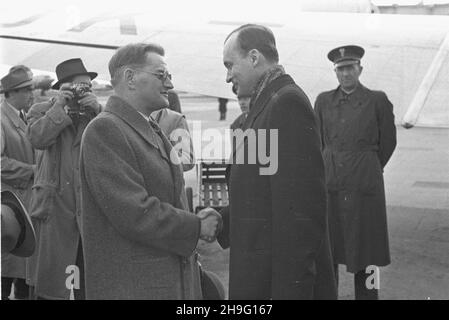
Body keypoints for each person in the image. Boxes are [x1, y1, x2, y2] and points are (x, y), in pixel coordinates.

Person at [79, 42, 221, 300]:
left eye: (169, 76)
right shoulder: (105, 130)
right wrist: (195, 226)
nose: (169, 84)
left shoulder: (147, 127)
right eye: (161, 75)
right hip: (136, 288)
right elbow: (134, 212)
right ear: (130, 78)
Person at [217, 24, 337, 299]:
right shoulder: (265, 104)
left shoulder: (286, 104)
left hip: (275, 286)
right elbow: (261, 194)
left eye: (229, 64)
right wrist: (223, 219)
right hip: (259, 275)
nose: (227, 76)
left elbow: (301, 216)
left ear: (254, 57)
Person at [314, 45, 397, 300]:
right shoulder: (323, 101)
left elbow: (388, 142)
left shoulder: (377, 100)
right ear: (335, 72)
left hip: (365, 187)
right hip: (332, 185)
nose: (345, 74)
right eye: (340, 69)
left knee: (368, 251)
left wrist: (367, 166)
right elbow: (317, 142)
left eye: (350, 68)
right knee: (329, 251)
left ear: (360, 69)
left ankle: (370, 297)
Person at [26, 58, 101, 300]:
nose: (84, 92)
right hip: (55, 208)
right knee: (51, 284)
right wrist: (60, 107)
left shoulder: (97, 116)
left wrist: (98, 113)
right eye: (80, 87)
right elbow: (38, 139)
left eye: (88, 87)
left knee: (86, 282)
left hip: (87, 209)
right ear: (64, 88)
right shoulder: (42, 110)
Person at [1, 65, 35, 300]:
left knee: (24, 271)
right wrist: (32, 170)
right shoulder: (2, 119)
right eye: (26, 89)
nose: (31, 93)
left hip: (24, 204)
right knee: (7, 271)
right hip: (9, 209)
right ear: (10, 93)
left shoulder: (24, 116)